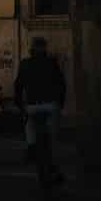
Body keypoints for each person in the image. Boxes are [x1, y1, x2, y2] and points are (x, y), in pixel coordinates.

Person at [14, 36, 66, 191]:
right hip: (51, 106)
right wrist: (60, 104)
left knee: (29, 125)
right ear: (45, 49)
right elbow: (61, 85)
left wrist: (20, 106)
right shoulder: (52, 63)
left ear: (31, 49)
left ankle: (31, 147)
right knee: (53, 139)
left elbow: (18, 86)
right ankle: (54, 166)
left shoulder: (25, 64)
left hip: (32, 107)